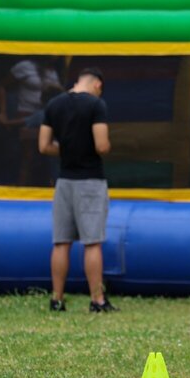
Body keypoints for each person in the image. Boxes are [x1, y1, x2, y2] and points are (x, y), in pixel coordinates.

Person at [38, 68, 116, 313]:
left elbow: (44, 146)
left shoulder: (54, 105)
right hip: (90, 181)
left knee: (61, 242)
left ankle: (57, 299)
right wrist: (107, 146)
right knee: (92, 243)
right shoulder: (96, 105)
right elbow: (101, 145)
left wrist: (68, 150)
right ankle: (97, 300)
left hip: (64, 182)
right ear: (97, 84)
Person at [0, 57, 62, 186]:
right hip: (26, 113)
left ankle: (48, 187)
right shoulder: (25, 66)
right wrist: (3, 113)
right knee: (27, 157)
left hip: (47, 116)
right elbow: (2, 86)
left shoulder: (54, 71)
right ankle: (20, 189)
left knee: (48, 156)